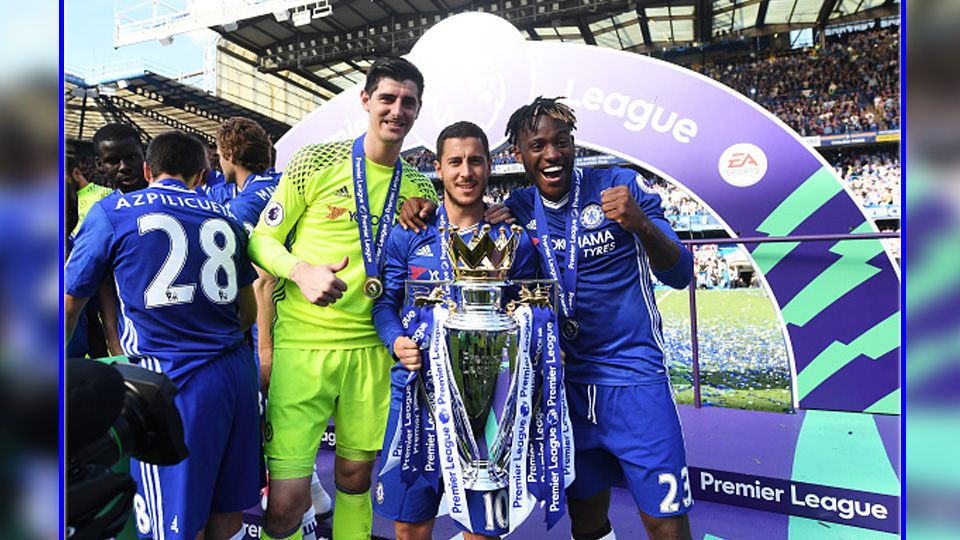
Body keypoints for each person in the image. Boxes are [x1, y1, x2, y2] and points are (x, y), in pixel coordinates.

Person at [400, 97, 694, 540]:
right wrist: (417, 205)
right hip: (565, 387)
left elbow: (680, 273)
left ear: (573, 145)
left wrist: (641, 224)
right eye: (537, 146)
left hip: (634, 380)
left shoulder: (618, 185)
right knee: (588, 520)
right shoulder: (517, 209)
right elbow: (462, 216)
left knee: (665, 522)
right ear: (519, 156)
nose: (552, 154)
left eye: (561, 142)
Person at [247, 57, 438, 540]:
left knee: (356, 480)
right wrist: (301, 270)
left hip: (373, 353)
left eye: (408, 102)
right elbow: (259, 242)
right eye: (388, 98)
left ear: (418, 110)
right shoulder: (315, 161)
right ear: (366, 101)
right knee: (287, 502)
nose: (397, 110)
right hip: (302, 351)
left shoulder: (417, 187)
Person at [65, 130, 261, 540]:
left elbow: (68, 303)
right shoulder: (225, 215)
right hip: (234, 376)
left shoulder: (112, 212)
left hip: (168, 381)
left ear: (149, 168)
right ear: (202, 173)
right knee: (227, 511)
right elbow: (248, 310)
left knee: (169, 525)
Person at [371, 121, 538, 540]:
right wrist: (397, 341)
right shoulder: (408, 234)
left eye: (475, 161)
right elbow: (384, 306)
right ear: (439, 169)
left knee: (483, 532)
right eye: (455, 162)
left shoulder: (512, 238)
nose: (466, 172)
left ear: (490, 166)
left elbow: (532, 312)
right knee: (410, 528)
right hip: (418, 399)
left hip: (490, 407)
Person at [215, 116, 333, 528]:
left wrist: (263, 349)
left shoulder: (245, 204)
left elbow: (262, 278)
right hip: (311, 322)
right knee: (294, 432)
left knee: (278, 436)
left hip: (276, 329)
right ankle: (315, 496)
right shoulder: (286, 182)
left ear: (228, 153)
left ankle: (301, 519)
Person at [93, 123, 147, 193]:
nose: (124, 167)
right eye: (113, 161)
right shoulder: (105, 204)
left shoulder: (165, 196)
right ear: (99, 165)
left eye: (132, 157)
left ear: (145, 156)